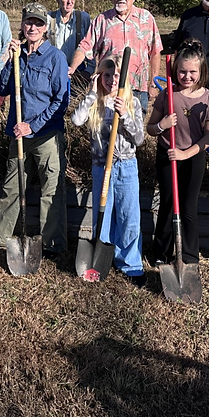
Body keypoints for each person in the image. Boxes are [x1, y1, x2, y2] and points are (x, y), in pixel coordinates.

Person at [0, 3, 69, 257]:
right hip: (19, 136)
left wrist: (32, 125)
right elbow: (2, 89)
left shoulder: (55, 57)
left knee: (50, 190)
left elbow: (61, 101)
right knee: (13, 187)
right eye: (28, 22)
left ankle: (52, 242)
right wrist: (10, 59)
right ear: (22, 25)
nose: (33, 27)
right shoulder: (17, 55)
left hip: (46, 135)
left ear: (45, 28)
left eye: (38, 23)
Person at [146, 39, 209, 266]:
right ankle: (160, 252)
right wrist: (163, 125)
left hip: (192, 157)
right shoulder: (167, 95)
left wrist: (186, 154)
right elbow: (150, 128)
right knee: (168, 203)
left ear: (201, 71)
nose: (186, 76)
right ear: (174, 70)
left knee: (188, 206)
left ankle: (188, 255)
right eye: (181, 72)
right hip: (167, 155)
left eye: (192, 72)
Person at [71, 55, 145, 282]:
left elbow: (139, 138)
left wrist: (124, 116)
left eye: (116, 76)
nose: (112, 80)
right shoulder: (96, 102)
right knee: (102, 215)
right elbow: (76, 120)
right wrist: (92, 94)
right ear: (100, 76)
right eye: (107, 75)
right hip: (102, 167)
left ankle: (130, 262)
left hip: (125, 166)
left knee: (129, 217)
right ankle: (102, 258)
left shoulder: (131, 103)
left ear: (124, 79)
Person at [68, 0, 162, 112]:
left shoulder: (146, 18)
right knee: (107, 131)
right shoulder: (102, 20)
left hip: (136, 89)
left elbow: (155, 52)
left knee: (134, 131)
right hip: (108, 89)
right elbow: (85, 46)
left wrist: (153, 83)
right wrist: (72, 68)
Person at [48, 0, 92, 79]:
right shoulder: (49, 18)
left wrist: (88, 71)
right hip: (53, 72)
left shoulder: (83, 18)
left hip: (78, 72)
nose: (70, 1)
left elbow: (90, 46)